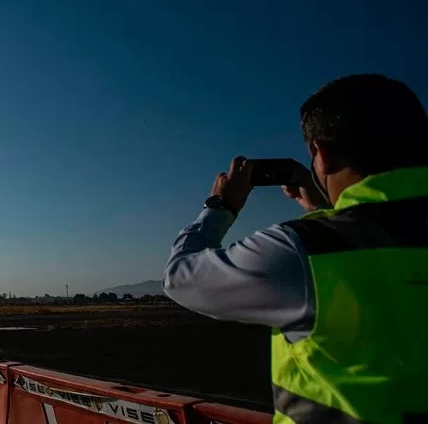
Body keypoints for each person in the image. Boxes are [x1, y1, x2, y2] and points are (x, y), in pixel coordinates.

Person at [162, 74, 428, 424]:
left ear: (322, 154)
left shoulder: (304, 250)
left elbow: (181, 277)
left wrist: (220, 207)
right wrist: (325, 211)